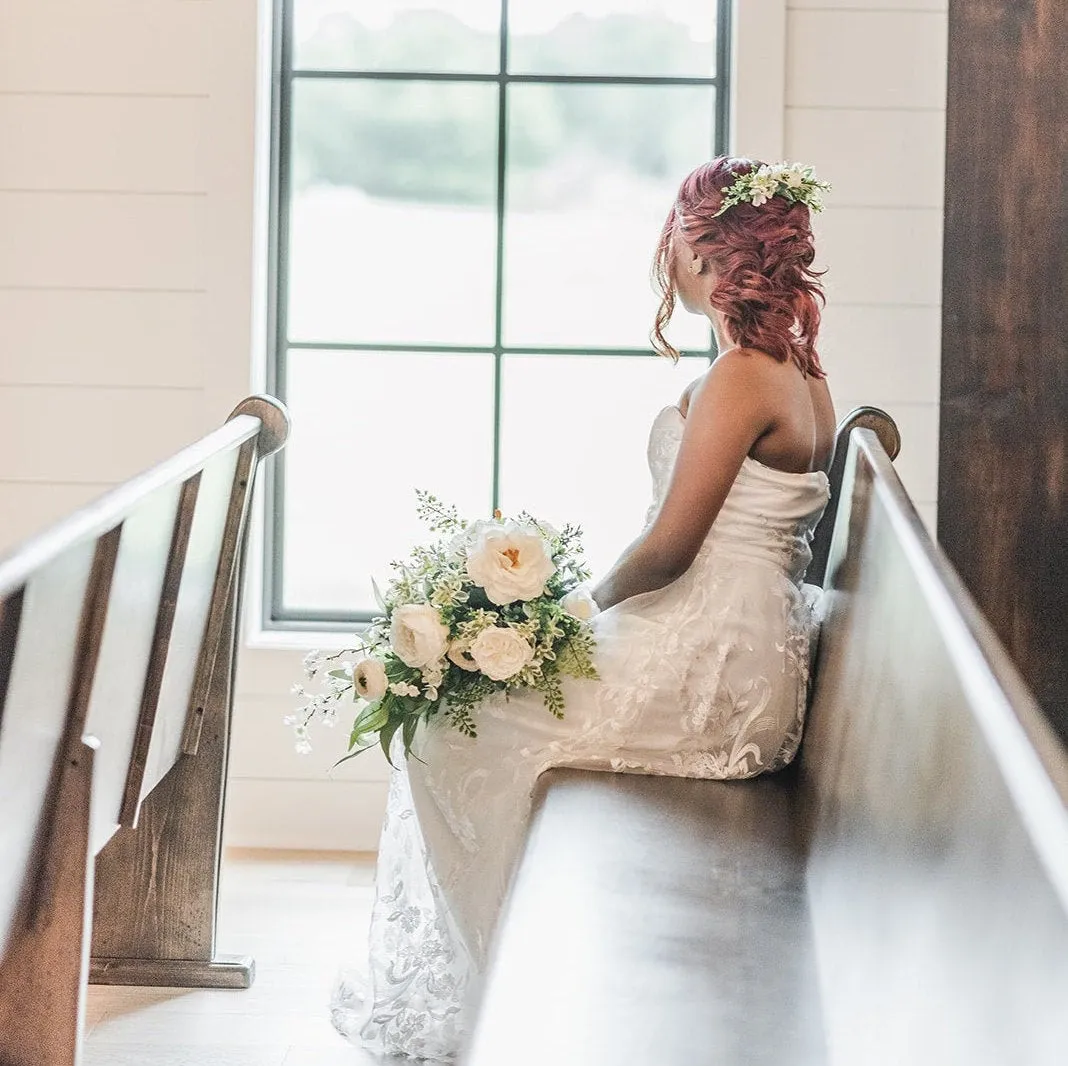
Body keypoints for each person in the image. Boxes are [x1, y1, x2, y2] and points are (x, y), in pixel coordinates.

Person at [331, 156, 836, 1061]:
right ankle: (521, 983)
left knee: (455, 729)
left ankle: (513, 1005)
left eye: (675, 236)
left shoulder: (743, 376)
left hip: (709, 663)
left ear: (704, 246)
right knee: (473, 713)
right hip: (737, 647)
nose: (666, 255)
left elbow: (670, 549)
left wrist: (567, 612)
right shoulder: (797, 370)